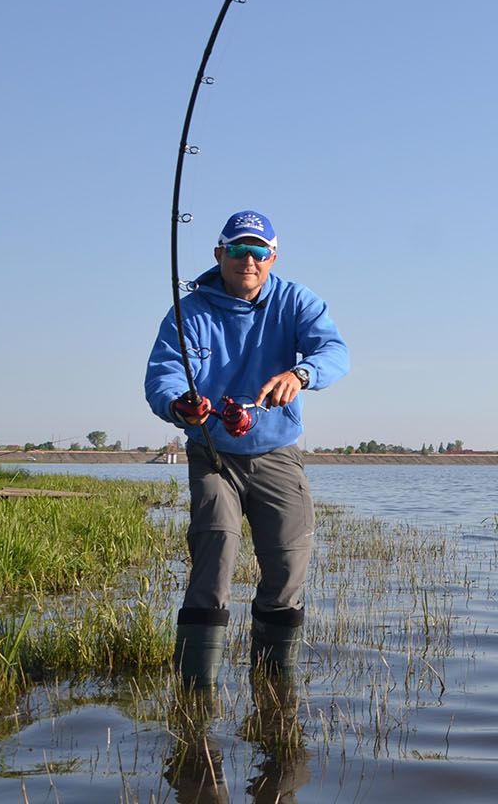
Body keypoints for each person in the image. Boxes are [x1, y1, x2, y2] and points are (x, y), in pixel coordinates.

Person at [145, 210, 348, 688]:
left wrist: (300, 375)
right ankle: (195, 697)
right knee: (216, 547)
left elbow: (335, 352)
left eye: (259, 252)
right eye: (238, 250)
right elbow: (163, 375)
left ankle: (273, 691)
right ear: (220, 255)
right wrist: (181, 406)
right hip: (213, 454)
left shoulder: (297, 301)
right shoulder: (188, 313)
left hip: (278, 452)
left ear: (273, 258)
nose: (248, 261)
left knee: (288, 561)